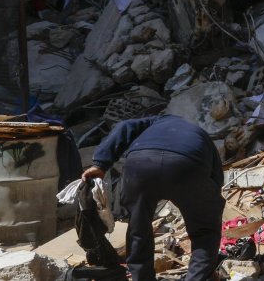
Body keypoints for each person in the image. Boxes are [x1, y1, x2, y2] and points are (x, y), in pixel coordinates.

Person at [82, 115, 225, 281]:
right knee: (205, 230)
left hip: (140, 165)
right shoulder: (200, 134)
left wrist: (100, 164)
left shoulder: (153, 123)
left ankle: (141, 278)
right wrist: (206, 207)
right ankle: (198, 277)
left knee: (138, 228)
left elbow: (124, 126)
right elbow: (216, 179)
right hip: (187, 165)